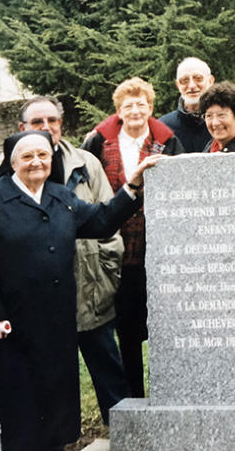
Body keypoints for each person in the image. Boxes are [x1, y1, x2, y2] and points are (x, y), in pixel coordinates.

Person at [0, 131, 159, 451]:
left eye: (43, 155)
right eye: (27, 157)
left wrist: (132, 187)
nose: (37, 162)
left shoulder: (61, 197)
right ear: (12, 163)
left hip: (58, 325)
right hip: (11, 327)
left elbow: (102, 221)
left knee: (55, 413)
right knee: (18, 415)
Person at [18, 96, 127, 424]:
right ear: (22, 128)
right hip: (41, 300)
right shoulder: (11, 168)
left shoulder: (86, 164)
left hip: (91, 291)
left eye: (52, 120)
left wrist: (106, 276)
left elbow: (109, 222)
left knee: (110, 379)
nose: (47, 128)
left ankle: (123, 438)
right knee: (50, 385)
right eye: (38, 122)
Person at [83, 78, 184, 397]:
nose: (136, 110)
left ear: (151, 108)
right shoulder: (98, 142)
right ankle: (134, 399)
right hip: (114, 250)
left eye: (141, 104)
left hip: (157, 249)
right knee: (126, 331)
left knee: (164, 329)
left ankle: (168, 394)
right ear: (118, 112)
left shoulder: (167, 141)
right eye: (128, 105)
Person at [158, 57, 217, 152]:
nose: (192, 86)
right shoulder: (163, 127)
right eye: (184, 80)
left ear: (210, 81)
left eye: (198, 78)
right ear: (178, 85)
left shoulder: (229, 123)